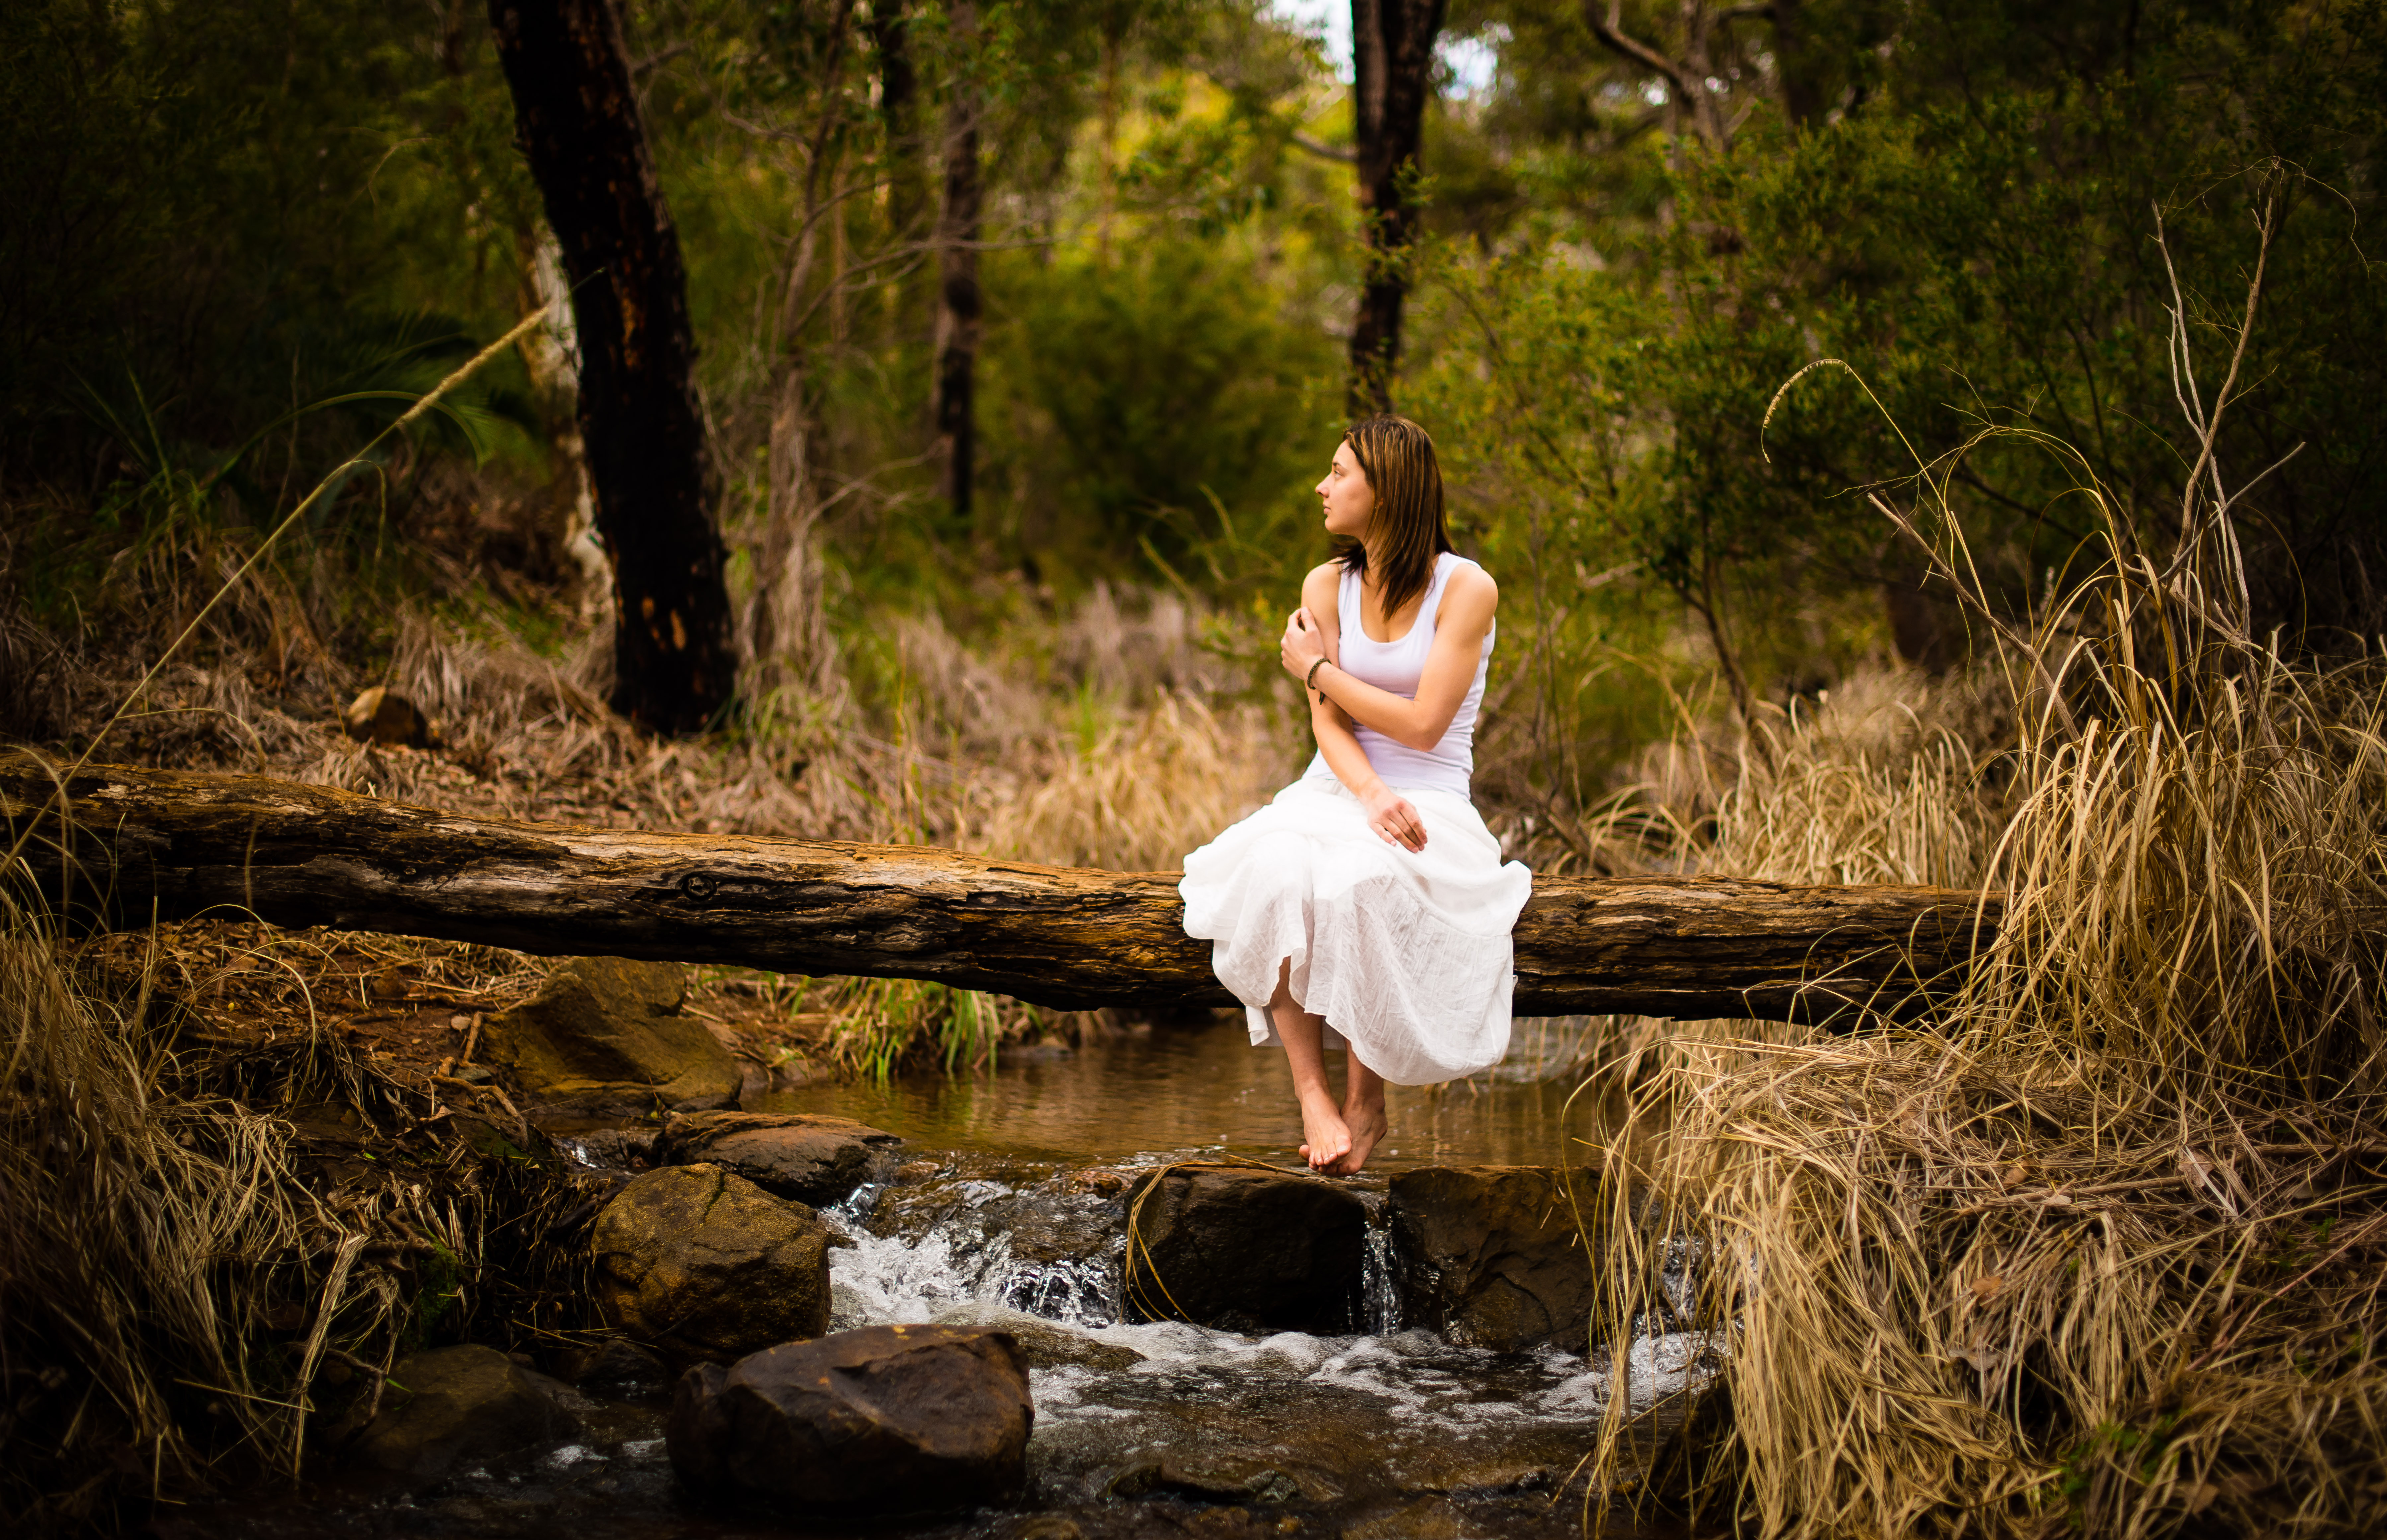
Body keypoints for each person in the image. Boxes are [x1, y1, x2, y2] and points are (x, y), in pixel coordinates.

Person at [1178, 415, 1532, 1175]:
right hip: (1337, 785)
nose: (1322, 486)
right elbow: (1328, 725)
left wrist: (1315, 669)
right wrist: (1365, 791)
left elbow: (1423, 723)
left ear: (1386, 488)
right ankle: (1310, 1091)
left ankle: (1366, 1096)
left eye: (1338, 473)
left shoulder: (1465, 587)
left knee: (1363, 880)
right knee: (1274, 868)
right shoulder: (1324, 584)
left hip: (1429, 793)